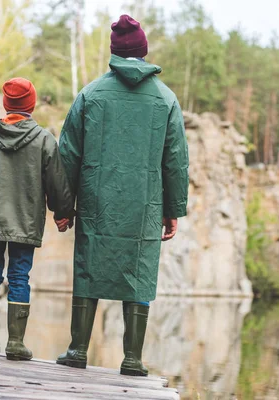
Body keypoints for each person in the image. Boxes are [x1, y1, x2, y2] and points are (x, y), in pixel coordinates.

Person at [55, 14, 189, 376]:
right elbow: (175, 161)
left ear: (114, 52)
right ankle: (132, 359)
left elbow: (67, 154)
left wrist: (63, 207)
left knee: (89, 267)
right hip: (146, 205)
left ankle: (78, 350)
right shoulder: (166, 100)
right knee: (140, 269)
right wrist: (173, 209)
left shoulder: (91, 94)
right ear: (143, 51)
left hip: (96, 204)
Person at [0, 77, 74, 361]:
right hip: (24, 221)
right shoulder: (44, 140)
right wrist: (63, 213)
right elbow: (57, 183)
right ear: (32, 104)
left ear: (5, 103)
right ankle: (15, 342)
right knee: (19, 276)